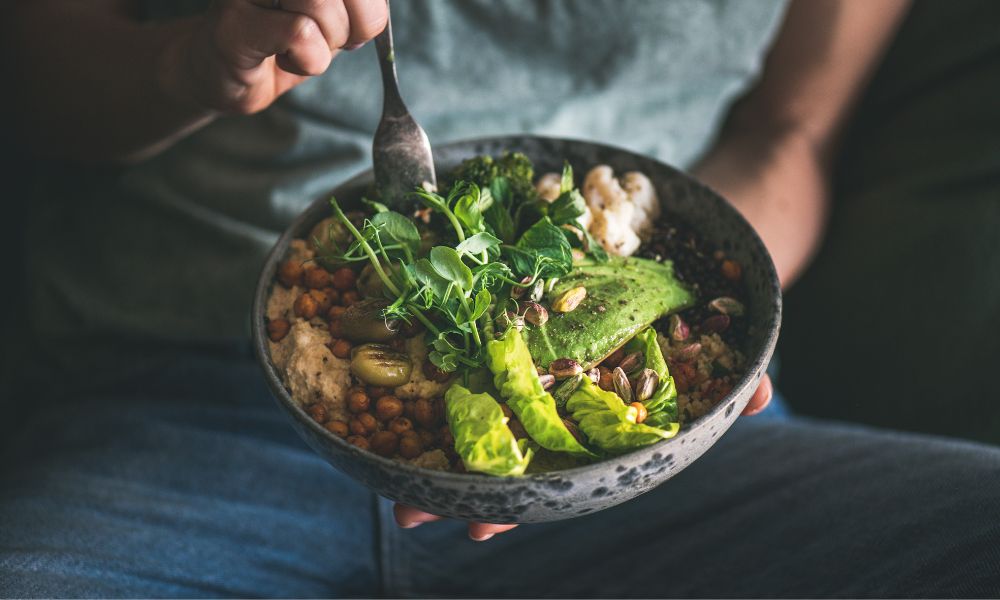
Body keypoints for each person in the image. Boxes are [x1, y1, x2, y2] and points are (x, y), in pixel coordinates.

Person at [2, 0, 999, 597]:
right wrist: (194, 58)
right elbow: (38, 85)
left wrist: (693, 345)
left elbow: (793, 132)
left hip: (662, 468)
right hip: (185, 407)